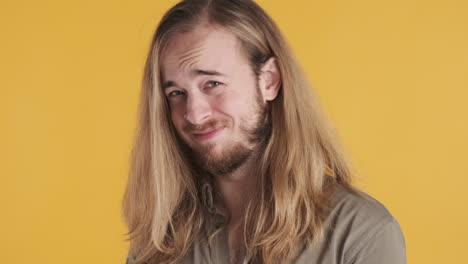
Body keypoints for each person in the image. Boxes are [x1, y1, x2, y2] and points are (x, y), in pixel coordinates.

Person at [121, 0, 407, 263]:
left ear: (269, 80)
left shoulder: (360, 235)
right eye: (176, 92)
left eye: (212, 84)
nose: (194, 113)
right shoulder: (160, 240)